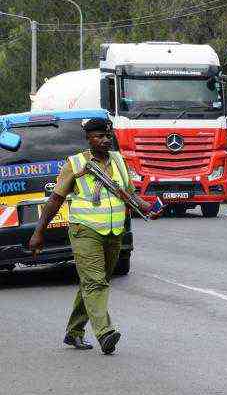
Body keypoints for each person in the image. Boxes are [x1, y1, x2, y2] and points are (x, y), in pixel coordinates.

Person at [29, 118, 158, 355]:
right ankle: (105, 332)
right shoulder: (75, 163)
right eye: (99, 136)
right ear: (88, 139)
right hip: (84, 231)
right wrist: (39, 232)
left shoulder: (118, 160)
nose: (105, 140)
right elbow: (56, 199)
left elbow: (126, 191)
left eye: (107, 136)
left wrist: (147, 206)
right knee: (95, 282)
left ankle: (74, 331)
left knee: (94, 283)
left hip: (114, 232)